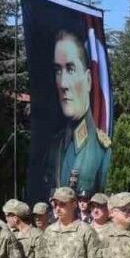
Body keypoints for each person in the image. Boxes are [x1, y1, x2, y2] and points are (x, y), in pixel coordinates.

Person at [45, 29, 111, 193]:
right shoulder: (55, 146)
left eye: (71, 69)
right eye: (58, 71)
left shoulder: (102, 150)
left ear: (88, 80)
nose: (63, 84)